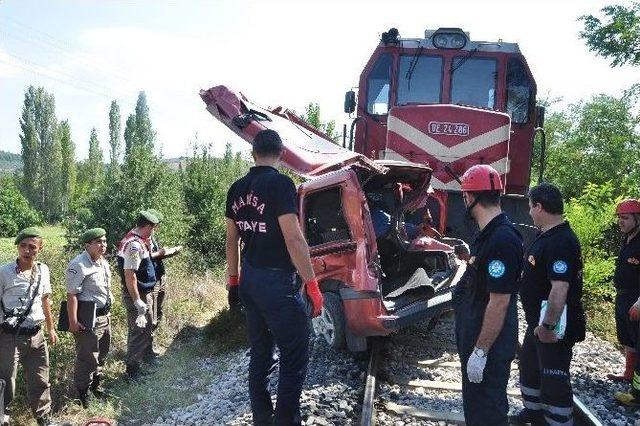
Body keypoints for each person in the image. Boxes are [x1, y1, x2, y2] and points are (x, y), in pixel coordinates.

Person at [225, 129, 323, 425]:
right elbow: (294, 239)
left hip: (250, 280)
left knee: (261, 354)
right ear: (281, 154)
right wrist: (312, 284)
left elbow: (231, 240)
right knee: (295, 354)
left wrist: (233, 281)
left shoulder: (236, 188)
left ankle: (263, 419)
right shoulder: (281, 185)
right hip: (276, 281)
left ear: (253, 153)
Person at [452, 164, 523, 426]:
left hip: (489, 347)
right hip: (478, 337)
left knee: (487, 412)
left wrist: (480, 352)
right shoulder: (488, 235)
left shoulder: (502, 240)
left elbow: (499, 301)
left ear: (470, 198)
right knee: (477, 408)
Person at [512, 183, 586, 425]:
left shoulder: (561, 241)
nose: (529, 213)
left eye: (530, 207)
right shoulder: (547, 236)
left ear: (539, 206)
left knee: (554, 382)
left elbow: (560, 288)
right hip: (539, 325)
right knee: (530, 371)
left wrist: (547, 327)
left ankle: (559, 421)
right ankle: (533, 414)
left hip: (554, 329)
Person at [0, 227, 57, 426]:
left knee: (41, 380)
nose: (27, 250)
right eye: (23, 246)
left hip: (37, 335)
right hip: (10, 337)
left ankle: (44, 419)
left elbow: (45, 300)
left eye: (32, 247)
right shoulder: (4, 272)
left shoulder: (43, 270)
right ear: (17, 247)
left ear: (39, 249)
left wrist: (51, 329)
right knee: (6, 382)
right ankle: (2, 418)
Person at [65, 228, 113, 407]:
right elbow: (72, 295)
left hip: (104, 316)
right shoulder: (78, 264)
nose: (103, 245)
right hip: (88, 320)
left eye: (105, 241)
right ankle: (83, 395)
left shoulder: (102, 261)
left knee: (102, 354)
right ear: (87, 245)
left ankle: (95, 388)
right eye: (99, 242)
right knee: (87, 358)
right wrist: (73, 321)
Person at [116, 211, 159, 380]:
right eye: (153, 228)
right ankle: (132, 372)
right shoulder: (134, 245)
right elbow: (130, 275)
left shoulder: (138, 240)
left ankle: (138, 364)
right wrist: (137, 301)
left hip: (142, 292)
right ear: (148, 226)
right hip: (137, 293)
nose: (154, 231)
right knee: (139, 330)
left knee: (143, 328)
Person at [608, 199, 640, 383]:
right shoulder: (627, 239)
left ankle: (637, 386)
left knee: (637, 337)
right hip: (623, 295)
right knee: (627, 336)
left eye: (625, 218)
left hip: (635, 297)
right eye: (619, 217)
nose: (621, 221)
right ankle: (629, 374)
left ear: (637, 219)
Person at [145, 209, 182, 358]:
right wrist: (159, 254)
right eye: (155, 225)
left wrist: (168, 252)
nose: (157, 228)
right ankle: (147, 350)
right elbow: (144, 258)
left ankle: (150, 345)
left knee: (157, 312)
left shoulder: (151, 236)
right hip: (151, 281)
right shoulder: (139, 239)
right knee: (151, 315)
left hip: (160, 276)